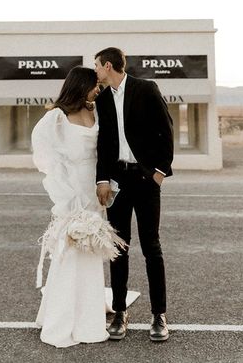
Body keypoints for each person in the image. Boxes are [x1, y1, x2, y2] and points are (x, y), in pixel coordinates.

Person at [32, 66, 125, 348]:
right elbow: (46, 158)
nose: (98, 89)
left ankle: (90, 315)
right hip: (72, 190)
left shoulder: (95, 111)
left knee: (92, 250)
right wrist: (66, 195)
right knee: (71, 250)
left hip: (94, 188)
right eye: (94, 84)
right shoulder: (56, 117)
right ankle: (63, 318)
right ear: (80, 85)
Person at [95, 47, 174, 342]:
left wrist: (159, 172)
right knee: (119, 248)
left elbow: (166, 130)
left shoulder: (146, 89)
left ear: (107, 65)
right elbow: (103, 143)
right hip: (117, 180)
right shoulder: (102, 99)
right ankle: (119, 312)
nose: (96, 72)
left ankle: (158, 315)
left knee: (151, 247)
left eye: (97, 66)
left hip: (146, 178)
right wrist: (102, 179)